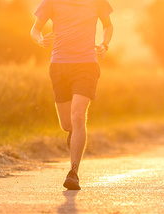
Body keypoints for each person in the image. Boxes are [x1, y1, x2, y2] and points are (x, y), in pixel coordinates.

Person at [31, 0, 114, 190]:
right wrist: (41, 40)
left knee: (78, 116)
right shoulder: (51, 2)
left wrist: (104, 45)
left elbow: (108, 25)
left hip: (86, 65)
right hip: (59, 66)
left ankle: (73, 172)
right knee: (67, 124)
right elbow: (35, 30)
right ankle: (73, 134)